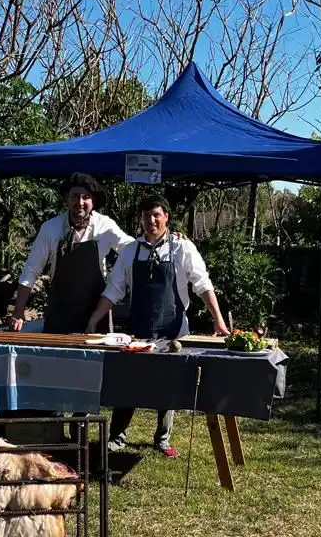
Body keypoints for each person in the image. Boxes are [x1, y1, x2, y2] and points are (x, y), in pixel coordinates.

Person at [86, 194, 230, 457]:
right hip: (138, 331)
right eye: (145, 216)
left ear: (167, 217)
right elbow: (115, 288)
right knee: (127, 384)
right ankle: (117, 437)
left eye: (156, 215)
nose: (150, 220)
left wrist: (218, 321)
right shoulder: (130, 251)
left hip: (173, 331)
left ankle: (162, 438)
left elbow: (203, 284)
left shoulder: (182, 248)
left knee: (169, 385)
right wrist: (95, 318)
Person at [10, 173, 133, 334]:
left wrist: (166, 238)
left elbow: (132, 249)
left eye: (86, 197)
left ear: (93, 201)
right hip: (60, 312)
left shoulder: (106, 226)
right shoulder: (50, 228)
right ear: (67, 198)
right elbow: (30, 270)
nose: (80, 202)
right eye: (75, 196)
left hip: (95, 314)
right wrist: (19, 312)